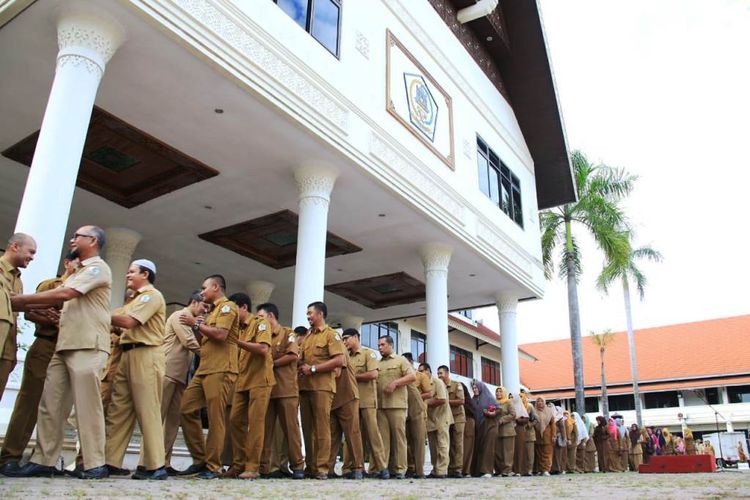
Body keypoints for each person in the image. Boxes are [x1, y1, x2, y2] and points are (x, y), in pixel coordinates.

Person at [8, 226, 111, 479]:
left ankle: (94, 463)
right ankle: (44, 460)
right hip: (64, 345)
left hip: (87, 345)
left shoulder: (98, 268)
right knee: (50, 405)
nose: (73, 239)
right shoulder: (77, 272)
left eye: (78, 236)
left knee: (87, 407)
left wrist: (17, 301)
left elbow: (66, 293)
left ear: (93, 241)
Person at [0, 254, 76, 473]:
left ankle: (44, 459)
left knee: (57, 407)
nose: (79, 269)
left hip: (68, 349)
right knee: (30, 402)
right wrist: (53, 319)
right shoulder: (51, 286)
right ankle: (10, 457)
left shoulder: (83, 290)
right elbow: (30, 312)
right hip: (46, 345)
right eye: (77, 264)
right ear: (67, 263)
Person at [104, 259, 167, 480]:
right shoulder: (134, 300)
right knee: (118, 409)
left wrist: (99, 312)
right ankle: (110, 461)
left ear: (146, 274)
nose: (128, 275)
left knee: (147, 409)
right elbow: (115, 321)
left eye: (132, 272)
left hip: (146, 354)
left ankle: (155, 465)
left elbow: (128, 322)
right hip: (126, 354)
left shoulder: (152, 296)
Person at [178, 275, 240, 479]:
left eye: (205, 288)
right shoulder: (211, 311)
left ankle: (213, 466)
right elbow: (204, 338)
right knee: (186, 409)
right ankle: (200, 459)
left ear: (216, 287)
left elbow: (221, 335)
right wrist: (197, 325)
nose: (202, 292)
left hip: (221, 369)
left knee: (215, 418)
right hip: (205, 368)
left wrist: (196, 324)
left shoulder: (227, 307)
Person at [225, 293, 275, 480]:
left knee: (255, 423)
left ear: (243, 307)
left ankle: (253, 467)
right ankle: (238, 464)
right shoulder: (238, 328)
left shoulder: (260, 323)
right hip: (243, 380)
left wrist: (236, 342)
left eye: (233, 309)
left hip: (260, 380)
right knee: (235, 420)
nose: (230, 314)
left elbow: (263, 349)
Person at [297, 301, 344, 480]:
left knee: (322, 428)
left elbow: (339, 360)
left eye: (310, 313)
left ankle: (323, 468)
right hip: (305, 388)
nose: (308, 316)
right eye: (307, 314)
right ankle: (311, 466)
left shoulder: (331, 335)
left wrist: (314, 369)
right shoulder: (308, 336)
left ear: (320, 314)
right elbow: (301, 359)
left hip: (323, 387)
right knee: (308, 429)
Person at [259, 303, 304, 480]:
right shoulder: (262, 336)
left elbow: (293, 355)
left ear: (271, 316)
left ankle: (298, 466)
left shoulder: (288, 333)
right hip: (268, 390)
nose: (259, 321)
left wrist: (272, 363)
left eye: (261, 317)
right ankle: (266, 467)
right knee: (266, 430)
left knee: (291, 429)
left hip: (286, 390)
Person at [161, 290, 202, 475]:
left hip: (181, 378)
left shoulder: (192, 322)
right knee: (158, 419)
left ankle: (164, 462)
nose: (204, 311)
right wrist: (212, 357)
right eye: (203, 306)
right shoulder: (181, 316)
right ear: (194, 302)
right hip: (168, 372)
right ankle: (148, 461)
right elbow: (189, 342)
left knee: (172, 422)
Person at [343, 329, 388, 479]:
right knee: (353, 436)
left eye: (347, 338)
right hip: (351, 401)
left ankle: (382, 467)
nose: (345, 342)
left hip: (367, 401)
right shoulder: (346, 356)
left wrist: (353, 377)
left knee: (373, 435)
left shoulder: (369, 354)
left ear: (356, 337)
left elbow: (374, 374)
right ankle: (353, 468)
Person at [0, 233, 36, 400]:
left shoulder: (18, 280)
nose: (32, 257)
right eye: (31, 252)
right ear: (15, 246)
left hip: (6, 349)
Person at [376, 335, 415, 479]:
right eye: (379, 345)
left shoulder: (401, 360)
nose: (380, 347)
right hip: (381, 406)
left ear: (390, 345)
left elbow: (412, 377)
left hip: (397, 405)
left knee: (399, 439)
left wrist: (395, 383)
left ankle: (400, 470)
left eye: (382, 345)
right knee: (383, 439)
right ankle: (384, 469)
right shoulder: (377, 363)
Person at [327, 331, 364, 480]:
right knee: (331, 435)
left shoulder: (339, 347)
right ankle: (328, 468)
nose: (345, 341)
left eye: (346, 338)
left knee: (352, 433)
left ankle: (357, 468)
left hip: (347, 396)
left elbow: (336, 371)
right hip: (333, 398)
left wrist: (316, 368)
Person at [419, 363, 452, 479]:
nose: (420, 373)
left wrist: (426, 403)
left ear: (428, 371)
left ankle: (442, 471)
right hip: (430, 419)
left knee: (442, 445)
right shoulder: (422, 384)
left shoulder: (438, 383)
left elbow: (442, 399)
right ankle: (435, 469)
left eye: (422, 371)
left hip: (442, 418)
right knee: (433, 447)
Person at [403, 352, 429, 479]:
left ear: (410, 363)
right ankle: (410, 467)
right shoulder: (400, 376)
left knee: (418, 441)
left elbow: (429, 393)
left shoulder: (420, 376)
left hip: (418, 410)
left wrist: (417, 396)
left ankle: (420, 470)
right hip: (403, 410)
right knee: (406, 441)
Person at [437, 365, 465, 478]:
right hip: (445, 417)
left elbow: (461, 400)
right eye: (438, 373)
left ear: (447, 374)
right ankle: (448, 468)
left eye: (441, 373)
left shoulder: (456, 385)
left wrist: (446, 401)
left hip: (457, 417)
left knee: (457, 444)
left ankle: (457, 469)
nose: (439, 376)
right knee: (446, 443)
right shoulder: (439, 386)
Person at [471, 380, 497, 478]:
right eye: (473, 388)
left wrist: (491, 413)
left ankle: (487, 471)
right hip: (478, 427)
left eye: (476, 387)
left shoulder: (489, 398)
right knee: (478, 448)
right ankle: (477, 471)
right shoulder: (473, 399)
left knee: (487, 448)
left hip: (489, 425)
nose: (474, 390)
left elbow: (497, 410)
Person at [493, 386, 516, 476]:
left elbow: (513, 414)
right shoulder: (494, 403)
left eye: (500, 391)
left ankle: (507, 470)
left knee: (508, 452)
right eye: (497, 391)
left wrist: (502, 419)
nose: (498, 393)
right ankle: (499, 470)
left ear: (504, 393)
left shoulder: (508, 402)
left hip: (507, 430)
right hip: (497, 430)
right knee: (498, 451)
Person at [533, 397, 555, 476]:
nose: (539, 402)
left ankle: (546, 469)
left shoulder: (549, 411)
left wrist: (553, 435)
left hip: (547, 435)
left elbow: (553, 424)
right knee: (539, 453)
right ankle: (541, 470)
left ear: (544, 402)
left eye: (541, 401)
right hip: (537, 435)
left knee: (547, 453)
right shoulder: (533, 411)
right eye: (538, 401)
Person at [461, 382, 476, 476]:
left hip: (468, 423)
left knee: (467, 447)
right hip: (462, 423)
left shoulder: (467, 401)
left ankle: (465, 470)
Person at [550, 406, 568, 474]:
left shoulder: (560, 418)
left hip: (558, 438)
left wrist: (564, 438)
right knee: (554, 455)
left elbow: (563, 429)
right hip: (553, 438)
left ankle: (557, 469)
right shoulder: (553, 418)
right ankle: (553, 469)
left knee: (557, 455)